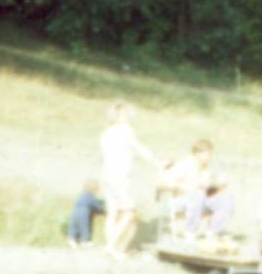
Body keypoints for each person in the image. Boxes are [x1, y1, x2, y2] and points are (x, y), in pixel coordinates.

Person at [99, 101, 159, 258]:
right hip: (120, 176)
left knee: (112, 213)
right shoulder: (125, 129)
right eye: (126, 113)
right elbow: (139, 148)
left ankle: (113, 247)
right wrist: (156, 162)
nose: (129, 116)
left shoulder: (106, 133)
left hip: (106, 175)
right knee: (130, 212)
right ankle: (111, 246)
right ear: (120, 115)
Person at [157, 139, 233, 242]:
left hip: (199, 201)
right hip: (179, 201)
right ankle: (190, 231)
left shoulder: (208, 168)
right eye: (207, 154)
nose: (209, 157)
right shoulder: (186, 165)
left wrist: (220, 185)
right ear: (197, 154)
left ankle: (213, 231)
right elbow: (163, 183)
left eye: (210, 153)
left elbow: (209, 190)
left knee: (227, 199)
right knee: (197, 195)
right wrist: (184, 187)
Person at [66, 180, 105, 248]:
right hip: (84, 213)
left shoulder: (81, 196)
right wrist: (104, 212)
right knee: (85, 227)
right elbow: (98, 207)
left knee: (74, 226)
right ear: (94, 189)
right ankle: (85, 241)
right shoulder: (91, 197)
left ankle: (72, 240)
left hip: (75, 212)